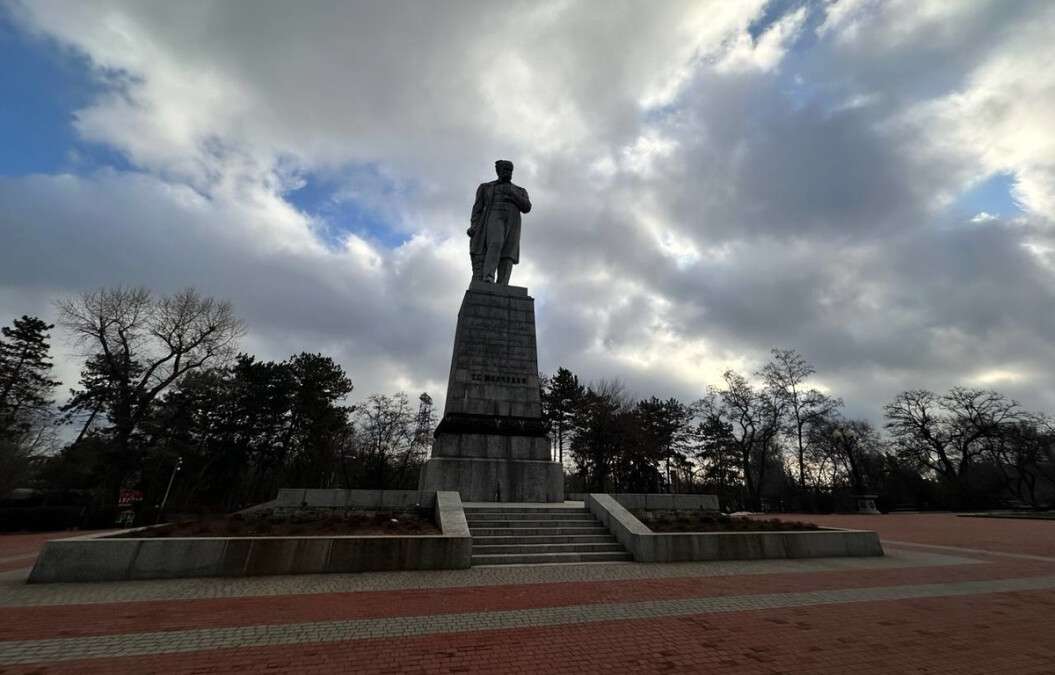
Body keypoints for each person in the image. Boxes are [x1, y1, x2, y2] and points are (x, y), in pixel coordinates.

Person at [467, 160, 531, 284]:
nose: (508, 172)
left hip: (513, 221)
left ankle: (503, 283)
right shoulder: (486, 187)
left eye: (510, 170)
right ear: (498, 171)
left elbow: (527, 207)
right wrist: (474, 226)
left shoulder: (520, 190)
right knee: (495, 243)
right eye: (505, 170)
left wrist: (512, 193)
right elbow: (477, 209)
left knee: (509, 252)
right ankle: (488, 277)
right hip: (494, 216)